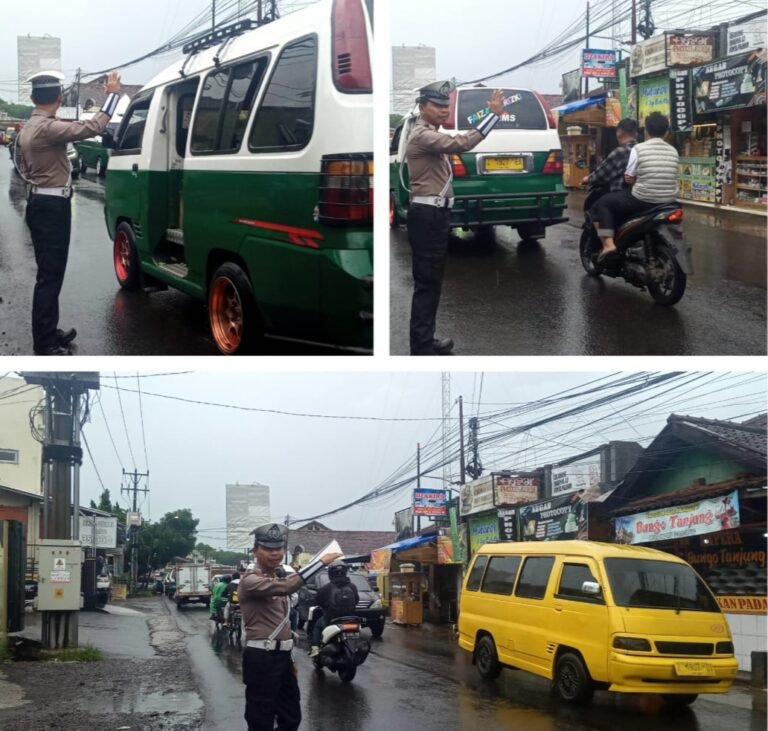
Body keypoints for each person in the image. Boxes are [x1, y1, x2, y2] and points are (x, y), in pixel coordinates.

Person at [16, 70, 122, 355]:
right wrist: (112, 95)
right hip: (51, 208)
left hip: (41, 204)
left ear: (32, 97)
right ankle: (45, 343)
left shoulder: (30, 126)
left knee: (49, 275)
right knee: (50, 277)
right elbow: (93, 127)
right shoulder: (48, 128)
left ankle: (49, 331)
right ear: (60, 97)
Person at [405, 81, 505, 355]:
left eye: (445, 106)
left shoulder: (430, 134)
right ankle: (422, 347)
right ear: (422, 107)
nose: (443, 111)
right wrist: (493, 116)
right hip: (428, 216)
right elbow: (462, 143)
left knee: (432, 282)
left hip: (433, 215)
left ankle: (425, 339)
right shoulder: (422, 135)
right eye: (437, 106)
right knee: (427, 283)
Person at [238, 523, 342, 731]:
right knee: (261, 719)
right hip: (261, 657)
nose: (274, 553)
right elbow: (287, 587)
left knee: (291, 716)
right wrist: (321, 562)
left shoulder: (276, 577)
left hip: (282, 657)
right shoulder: (250, 581)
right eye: (268, 548)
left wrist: (290, 658)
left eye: (278, 548)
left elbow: (282, 622)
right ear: (255, 550)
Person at [590, 111, 679, 263]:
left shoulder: (638, 149)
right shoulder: (673, 151)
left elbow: (629, 178)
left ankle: (609, 244)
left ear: (647, 131)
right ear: (666, 132)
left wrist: (635, 178)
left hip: (643, 199)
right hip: (669, 201)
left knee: (604, 203)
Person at [309, 562, 359, 657]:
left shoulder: (326, 588)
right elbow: (356, 600)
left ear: (330, 574)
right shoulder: (352, 587)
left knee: (317, 626)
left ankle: (315, 647)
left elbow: (316, 602)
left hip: (331, 619)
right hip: (350, 619)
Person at [581, 118, 638, 201]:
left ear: (619, 133)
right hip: (639, 196)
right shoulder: (641, 150)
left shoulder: (620, 152)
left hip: (620, 196)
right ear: (636, 134)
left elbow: (601, 174)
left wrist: (588, 179)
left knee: (599, 206)